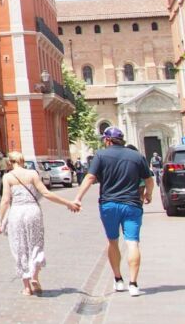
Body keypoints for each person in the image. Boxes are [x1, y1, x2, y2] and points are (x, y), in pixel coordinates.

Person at [73, 126, 154, 298]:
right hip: (132, 204)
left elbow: (89, 177)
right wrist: (149, 194)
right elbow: (149, 179)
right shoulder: (136, 156)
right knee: (132, 243)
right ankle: (133, 284)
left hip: (109, 204)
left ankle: (118, 280)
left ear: (107, 140)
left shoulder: (101, 155)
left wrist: (78, 198)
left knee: (112, 241)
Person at [0, 152, 79, 295]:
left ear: (10, 162)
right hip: (32, 211)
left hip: (16, 212)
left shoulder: (8, 177)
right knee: (35, 244)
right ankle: (34, 276)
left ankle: (27, 287)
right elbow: (46, 193)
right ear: (22, 161)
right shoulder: (32, 174)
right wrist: (68, 203)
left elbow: (5, 201)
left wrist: (0, 221)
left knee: (20, 246)